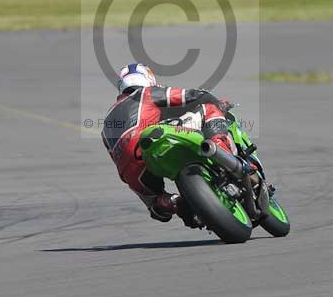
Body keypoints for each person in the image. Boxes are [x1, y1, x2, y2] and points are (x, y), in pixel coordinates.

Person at [100, 63, 236, 223]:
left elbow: (117, 157)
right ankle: (222, 152)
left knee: (156, 205)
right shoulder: (147, 93)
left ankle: (170, 203)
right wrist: (218, 103)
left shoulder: (107, 121)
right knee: (210, 109)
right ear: (148, 79)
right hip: (146, 140)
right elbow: (193, 95)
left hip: (130, 171)